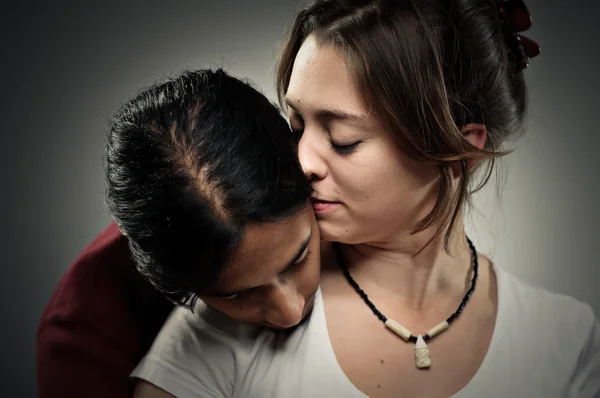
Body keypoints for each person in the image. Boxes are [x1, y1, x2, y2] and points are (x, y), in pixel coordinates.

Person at [132, 0, 600, 397]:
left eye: (343, 139)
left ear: (459, 153)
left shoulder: (564, 339)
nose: (302, 159)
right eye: (295, 126)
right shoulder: (232, 312)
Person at [38, 68, 322, 397]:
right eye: (235, 295)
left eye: (299, 259)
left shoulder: (344, 196)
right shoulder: (81, 343)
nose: (289, 312)